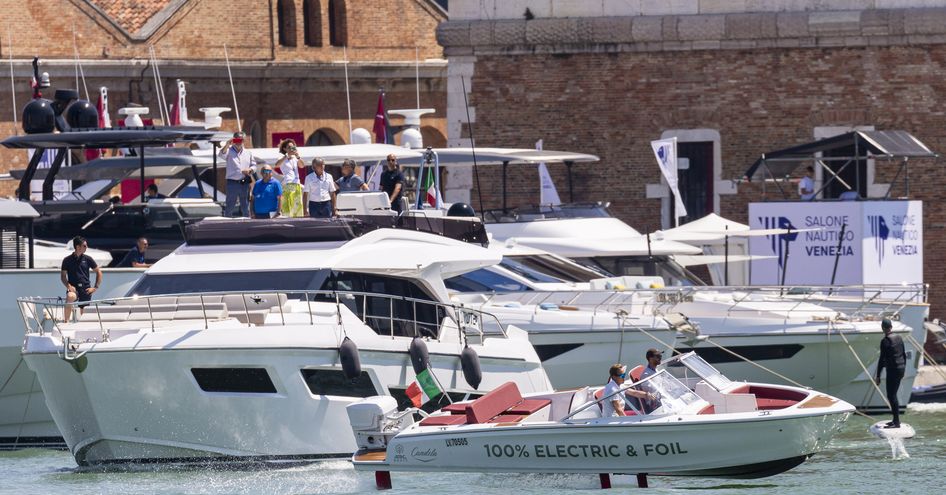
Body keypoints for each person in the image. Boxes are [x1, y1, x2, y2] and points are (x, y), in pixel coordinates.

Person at [60, 236, 103, 322]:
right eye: (84, 246)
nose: (86, 247)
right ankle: (66, 322)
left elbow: (99, 272)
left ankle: (83, 327)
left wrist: (95, 287)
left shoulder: (88, 259)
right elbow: (63, 276)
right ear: (77, 247)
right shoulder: (67, 260)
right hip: (73, 288)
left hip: (86, 289)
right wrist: (69, 286)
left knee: (84, 314)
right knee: (70, 296)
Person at [875, 318, 906, 428]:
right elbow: (904, 354)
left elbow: (881, 359)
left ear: (882, 328)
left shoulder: (885, 341)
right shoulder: (899, 337)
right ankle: (895, 420)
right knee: (893, 395)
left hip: (893, 371)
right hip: (900, 369)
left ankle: (896, 422)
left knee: (891, 395)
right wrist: (904, 370)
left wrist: (878, 375)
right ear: (891, 327)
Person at [219, 131, 258, 217]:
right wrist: (227, 145)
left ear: (243, 140)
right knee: (230, 204)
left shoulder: (248, 152)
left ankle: (247, 223)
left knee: (245, 205)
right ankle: (227, 223)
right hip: (232, 182)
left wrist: (250, 169)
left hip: (244, 182)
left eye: (240, 140)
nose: (238, 142)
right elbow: (221, 155)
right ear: (233, 139)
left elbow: (254, 166)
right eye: (236, 140)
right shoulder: (228, 151)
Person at [275, 139, 304, 217]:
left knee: (297, 209)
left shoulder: (295, 158)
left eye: (293, 147)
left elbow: (302, 166)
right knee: (288, 208)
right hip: (287, 184)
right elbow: (277, 165)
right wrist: (286, 156)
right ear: (285, 149)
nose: (291, 149)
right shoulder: (282, 157)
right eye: (289, 147)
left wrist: (298, 156)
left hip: (296, 184)